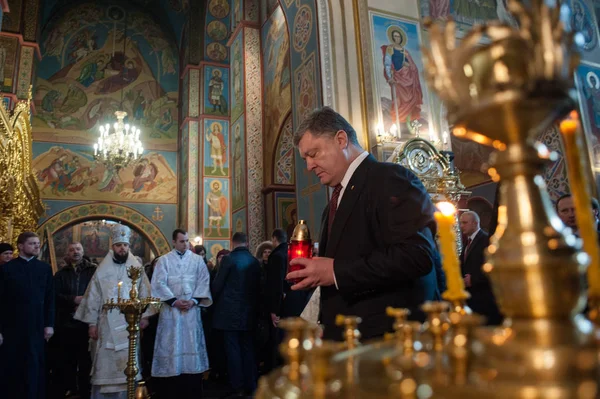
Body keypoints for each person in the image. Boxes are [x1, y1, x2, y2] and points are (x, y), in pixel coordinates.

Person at [287, 106, 442, 341]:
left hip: (388, 339)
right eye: (305, 158)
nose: (308, 166)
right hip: (351, 338)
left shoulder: (390, 178)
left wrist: (334, 270)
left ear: (341, 139)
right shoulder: (334, 202)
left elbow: (416, 256)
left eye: (314, 153)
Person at [74, 224, 153, 399]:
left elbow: (146, 293)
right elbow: (93, 297)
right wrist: (92, 324)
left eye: (125, 245)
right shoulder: (101, 271)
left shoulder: (137, 269)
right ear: (113, 247)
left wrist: (145, 316)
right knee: (105, 363)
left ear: (128, 247)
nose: (122, 248)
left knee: (129, 361)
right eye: (119, 245)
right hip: (106, 325)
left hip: (129, 324)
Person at [151, 229, 212, 398]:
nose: (185, 244)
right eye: (181, 241)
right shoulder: (164, 261)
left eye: (187, 241)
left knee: (190, 345)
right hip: (171, 312)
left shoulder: (198, 260)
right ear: (173, 242)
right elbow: (158, 283)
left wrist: (193, 301)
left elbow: (203, 281)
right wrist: (174, 301)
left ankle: (191, 388)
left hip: (191, 312)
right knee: (172, 346)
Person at [0, 231, 55, 399]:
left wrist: (49, 324)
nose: (37, 246)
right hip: (12, 327)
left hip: (37, 326)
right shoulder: (7, 269)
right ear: (20, 246)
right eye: (32, 243)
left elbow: (49, 298)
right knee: (13, 366)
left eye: (38, 243)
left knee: (35, 365)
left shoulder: (44, 268)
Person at [211, 232, 261, 396]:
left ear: (232, 243)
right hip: (250, 313)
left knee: (233, 350)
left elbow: (217, 285)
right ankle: (251, 385)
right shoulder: (254, 261)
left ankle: (237, 386)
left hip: (229, 314)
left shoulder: (228, 260)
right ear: (247, 243)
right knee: (248, 349)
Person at [53, 242, 97, 399]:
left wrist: (84, 302)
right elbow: (55, 296)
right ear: (67, 253)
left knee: (86, 360)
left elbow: (98, 292)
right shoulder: (61, 274)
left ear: (83, 251)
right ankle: (70, 388)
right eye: (71, 250)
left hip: (87, 322)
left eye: (78, 249)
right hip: (67, 323)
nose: (75, 252)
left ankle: (86, 390)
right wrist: (73, 299)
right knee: (68, 359)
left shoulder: (93, 271)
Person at [459, 211, 502, 325]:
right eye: (461, 223)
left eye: (465, 223)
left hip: (484, 297)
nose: (461, 226)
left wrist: (473, 279)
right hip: (473, 296)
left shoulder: (486, 240)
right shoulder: (468, 241)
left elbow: (492, 267)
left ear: (475, 223)